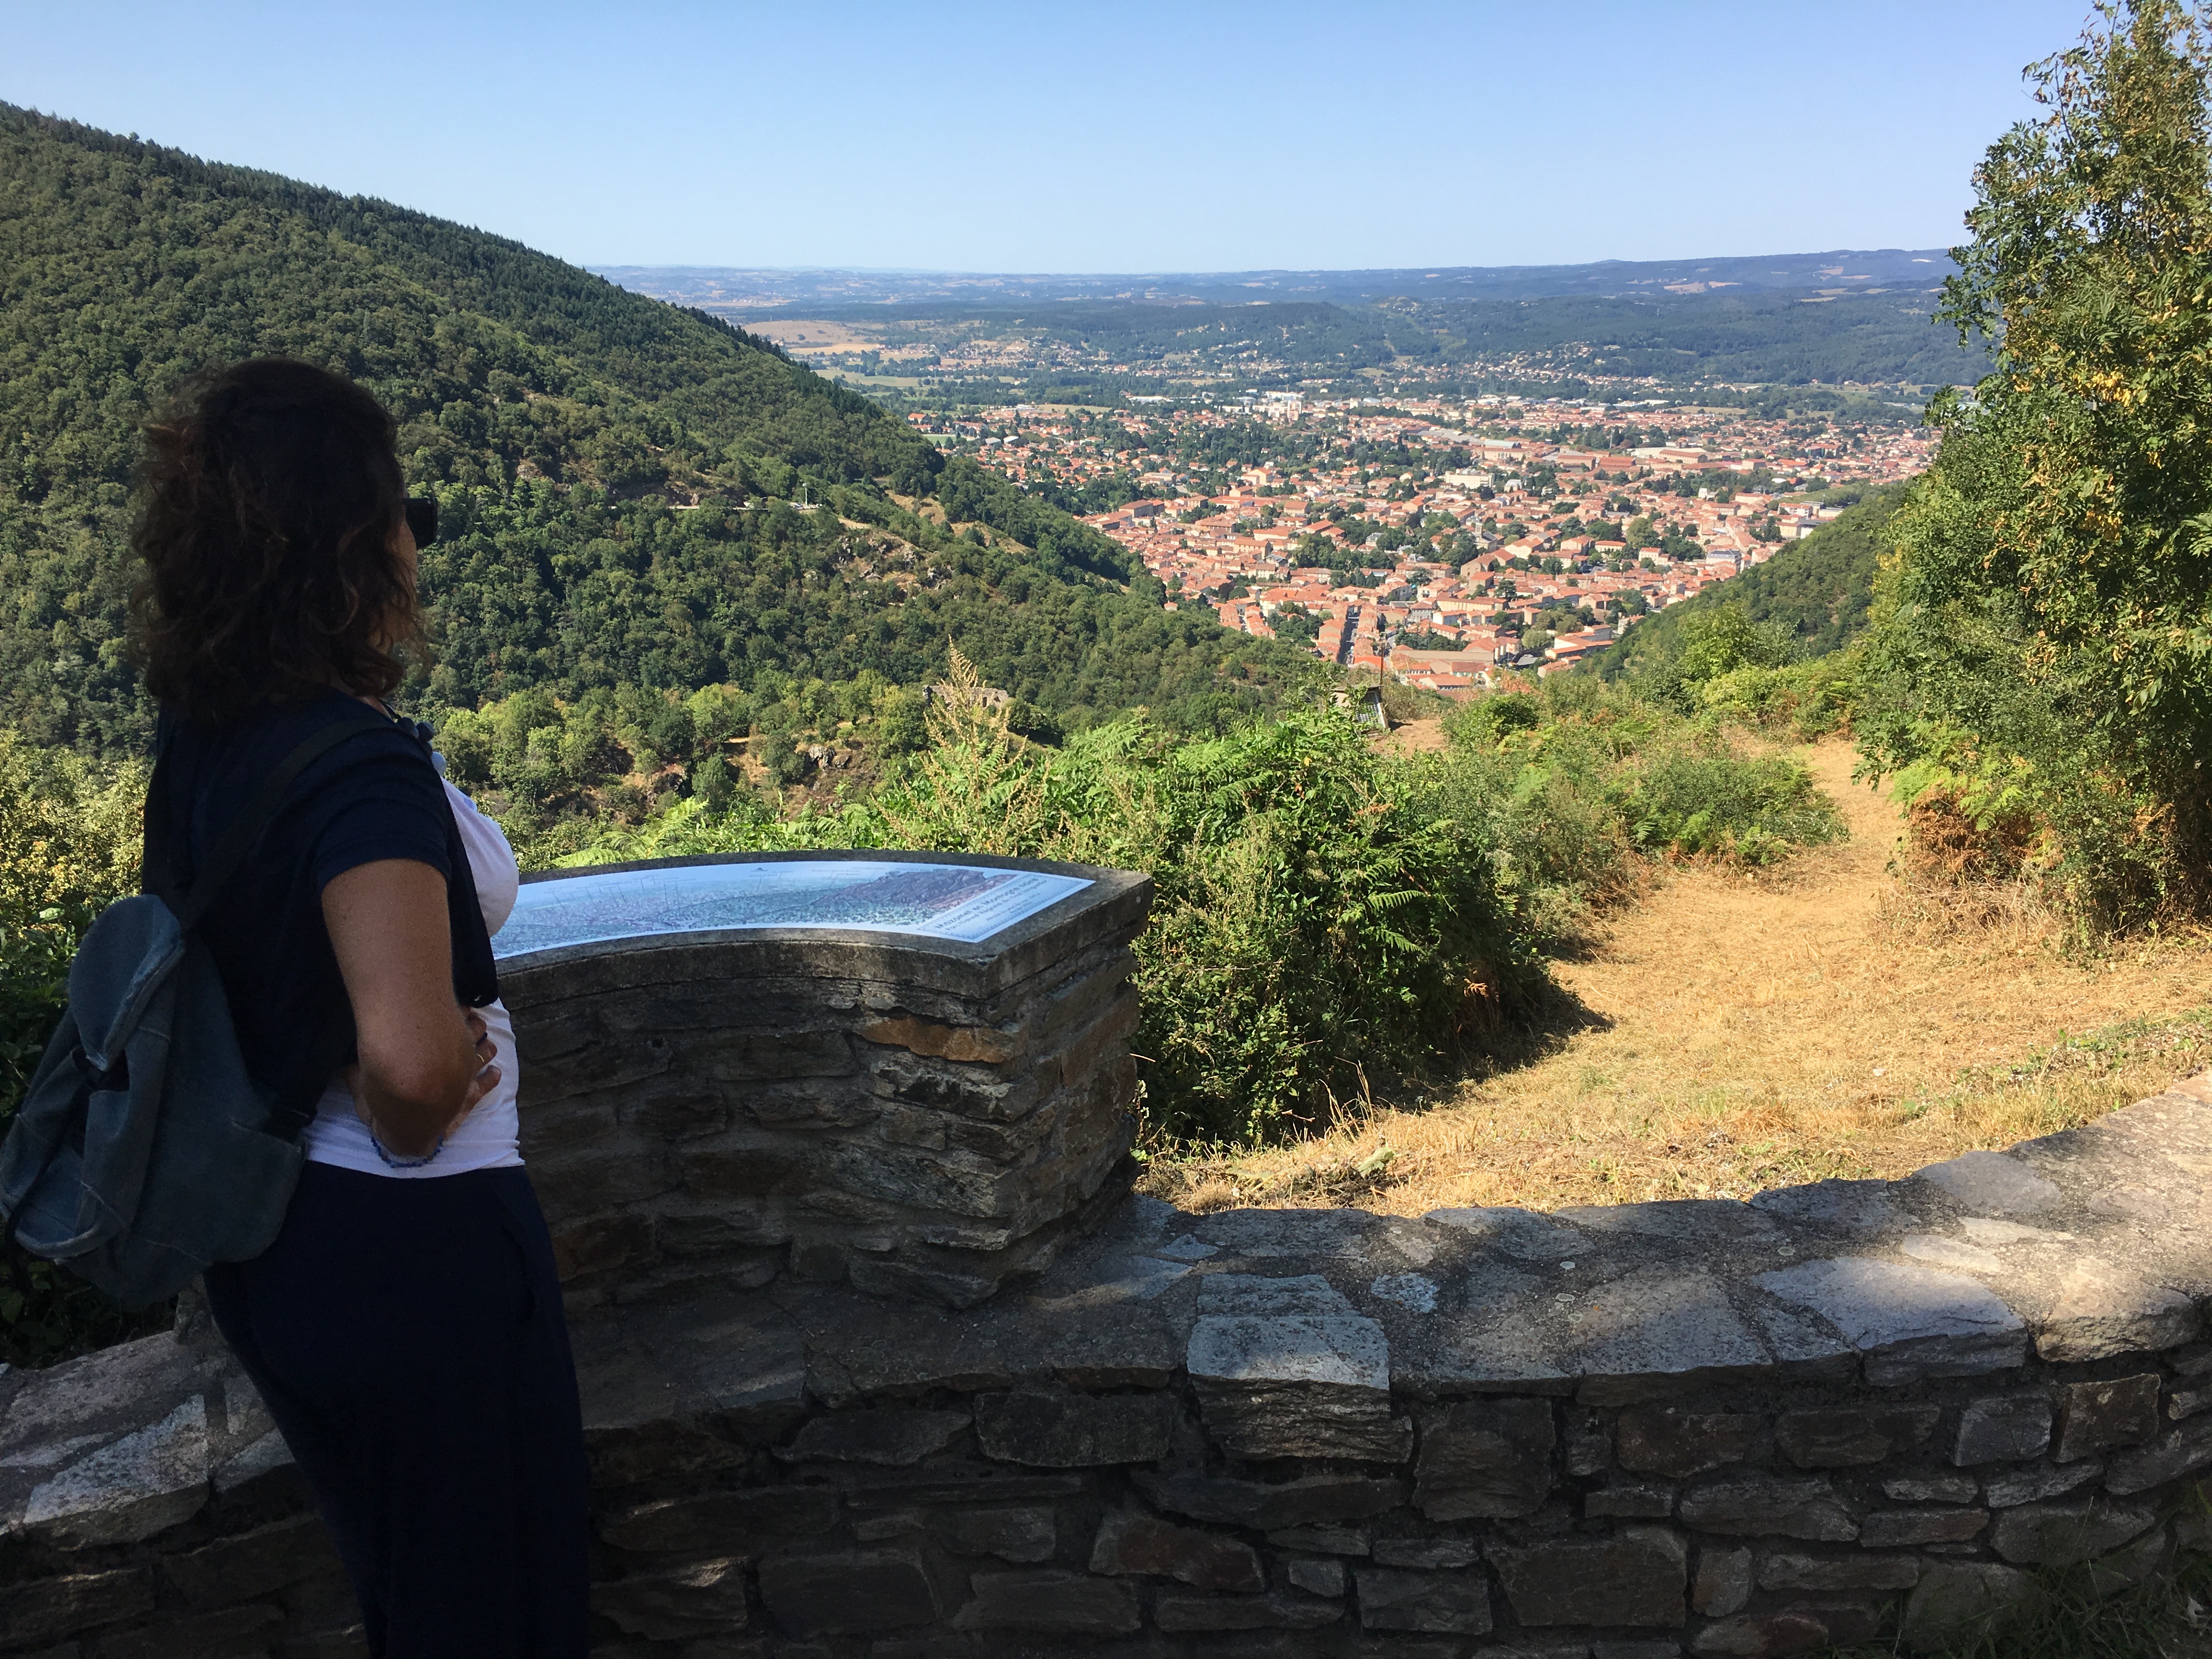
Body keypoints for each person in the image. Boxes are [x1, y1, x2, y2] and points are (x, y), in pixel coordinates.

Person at [129, 357, 589, 1658]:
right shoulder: (358, 775)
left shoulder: (210, 726)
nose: (417, 548)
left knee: (412, 1594)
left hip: (274, 1244)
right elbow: (411, 1067)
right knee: (501, 1612)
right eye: (405, 518)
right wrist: (421, 1094)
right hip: (412, 1242)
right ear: (353, 549)